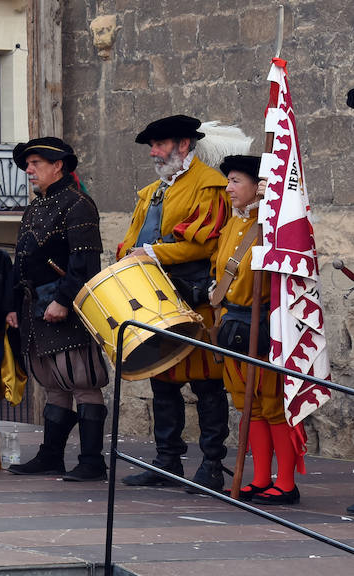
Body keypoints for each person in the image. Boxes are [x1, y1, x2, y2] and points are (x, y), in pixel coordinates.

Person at [116, 115, 230, 491]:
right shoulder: (150, 192)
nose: (153, 152)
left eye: (160, 144)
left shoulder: (209, 186)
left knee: (205, 383)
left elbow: (203, 242)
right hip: (154, 299)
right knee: (162, 380)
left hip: (195, 300)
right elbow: (132, 239)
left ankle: (212, 465)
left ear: (184, 145)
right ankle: (167, 462)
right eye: (152, 145)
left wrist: (151, 252)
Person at [4, 138, 110, 482]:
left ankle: (92, 461)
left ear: (58, 165)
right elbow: (21, 262)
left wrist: (64, 300)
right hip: (34, 308)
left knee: (83, 381)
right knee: (54, 385)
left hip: (67, 308)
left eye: (35, 163)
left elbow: (85, 263)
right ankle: (51, 455)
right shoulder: (37, 207)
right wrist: (13, 306)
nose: (29, 170)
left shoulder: (79, 204)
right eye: (28, 164)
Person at [209, 154, 297, 505]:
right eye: (228, 180)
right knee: (249, 405)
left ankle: (286, 483)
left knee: (273, 405)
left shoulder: (270, 223)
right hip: (233, 325)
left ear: (257, 187)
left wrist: (271, 206)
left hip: (262, 326)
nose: (228, 188)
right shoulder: (233, 224)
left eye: (236, 181)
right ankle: (261, 478)